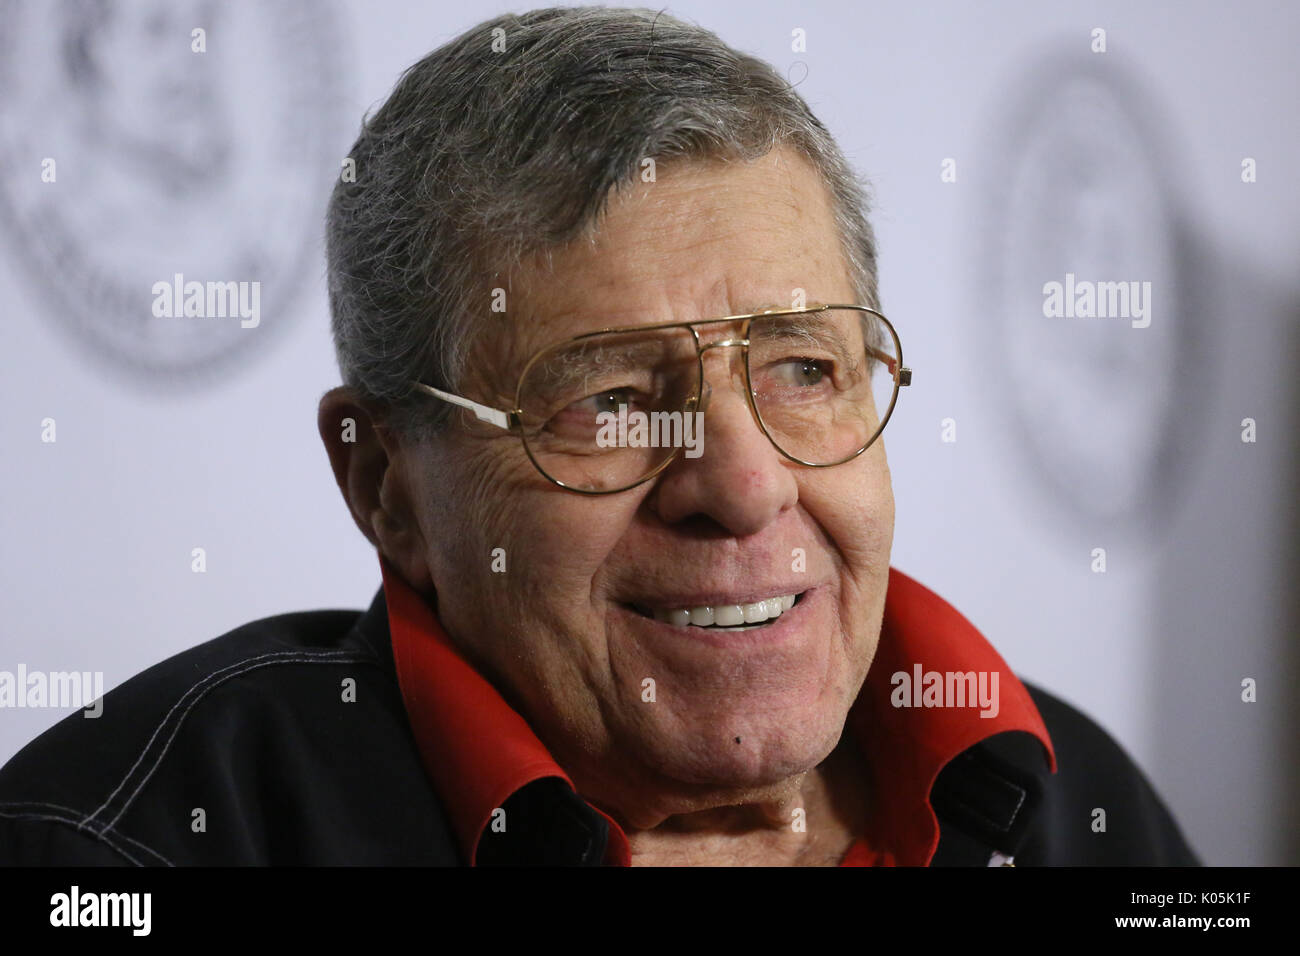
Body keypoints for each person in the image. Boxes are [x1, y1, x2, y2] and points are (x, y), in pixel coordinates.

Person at [0, 6, 1198, 866]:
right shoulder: (131, 847)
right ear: (385, 485)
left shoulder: (1068, 801)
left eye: (800, 369)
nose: (740, 482)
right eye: (612, 402)